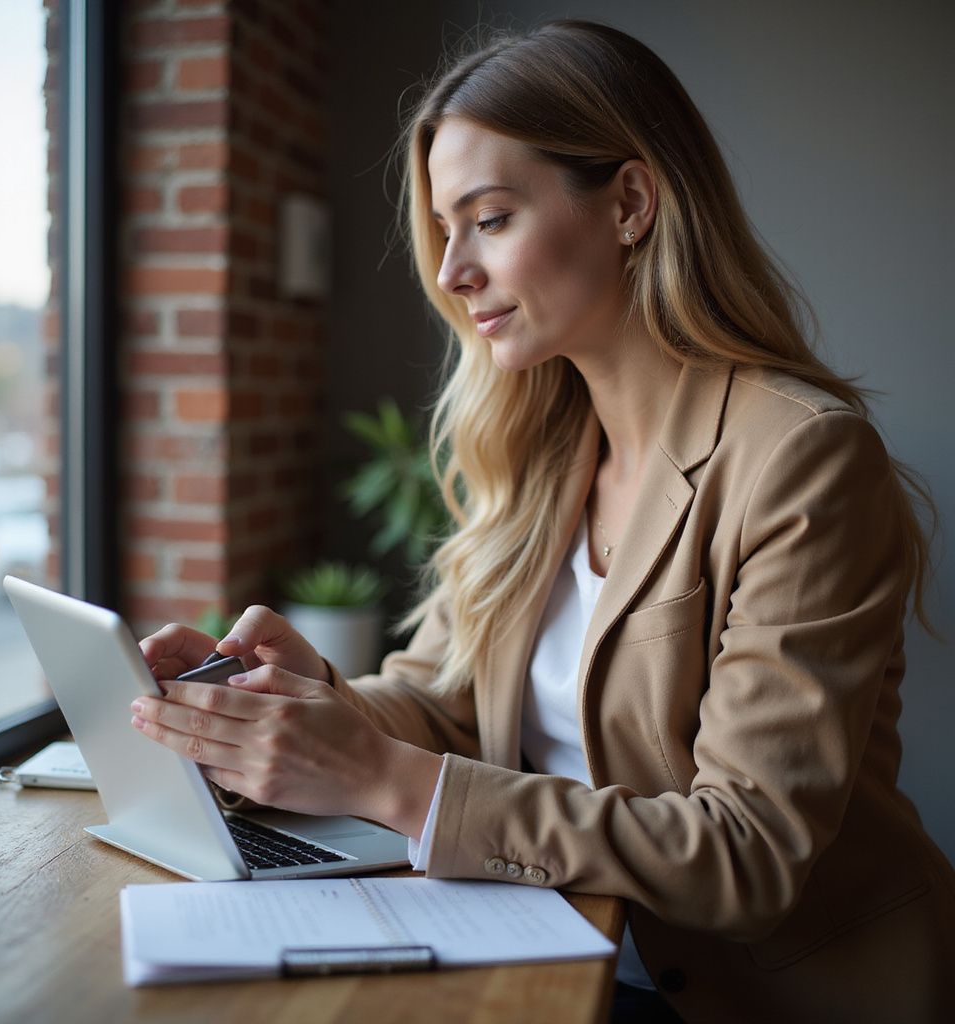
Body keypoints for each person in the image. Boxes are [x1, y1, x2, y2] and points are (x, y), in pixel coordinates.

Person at [130, 20, 955, 1023]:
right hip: (556, 961)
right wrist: (299, 705)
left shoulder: (802, 457)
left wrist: (389, 778)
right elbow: (440, 702)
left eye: (489, 218)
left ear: (631, 204)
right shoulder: (535, 450)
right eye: (445, 230)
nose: (451, 272)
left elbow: (745, 852)